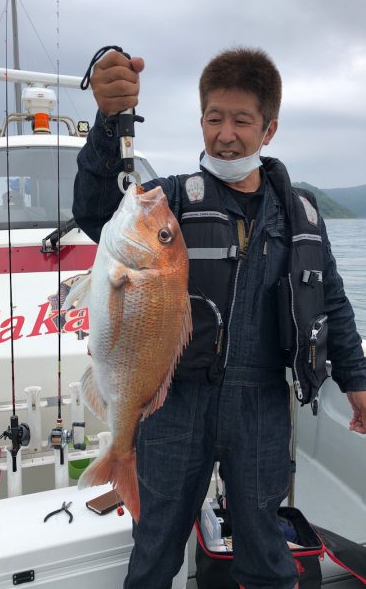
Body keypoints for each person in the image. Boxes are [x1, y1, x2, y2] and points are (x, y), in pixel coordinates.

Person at [73, 47, 366, 589]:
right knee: (157, 541)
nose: (225, 133)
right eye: (214, 118)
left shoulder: (299, 212)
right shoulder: (171, 202)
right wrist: (109, 123)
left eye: (241, 120)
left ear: (268, 129)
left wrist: (357, 380)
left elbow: (331, 301)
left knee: (263, 541)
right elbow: (94, 211)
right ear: (200, 119)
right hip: (175, 397)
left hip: (260, 403)